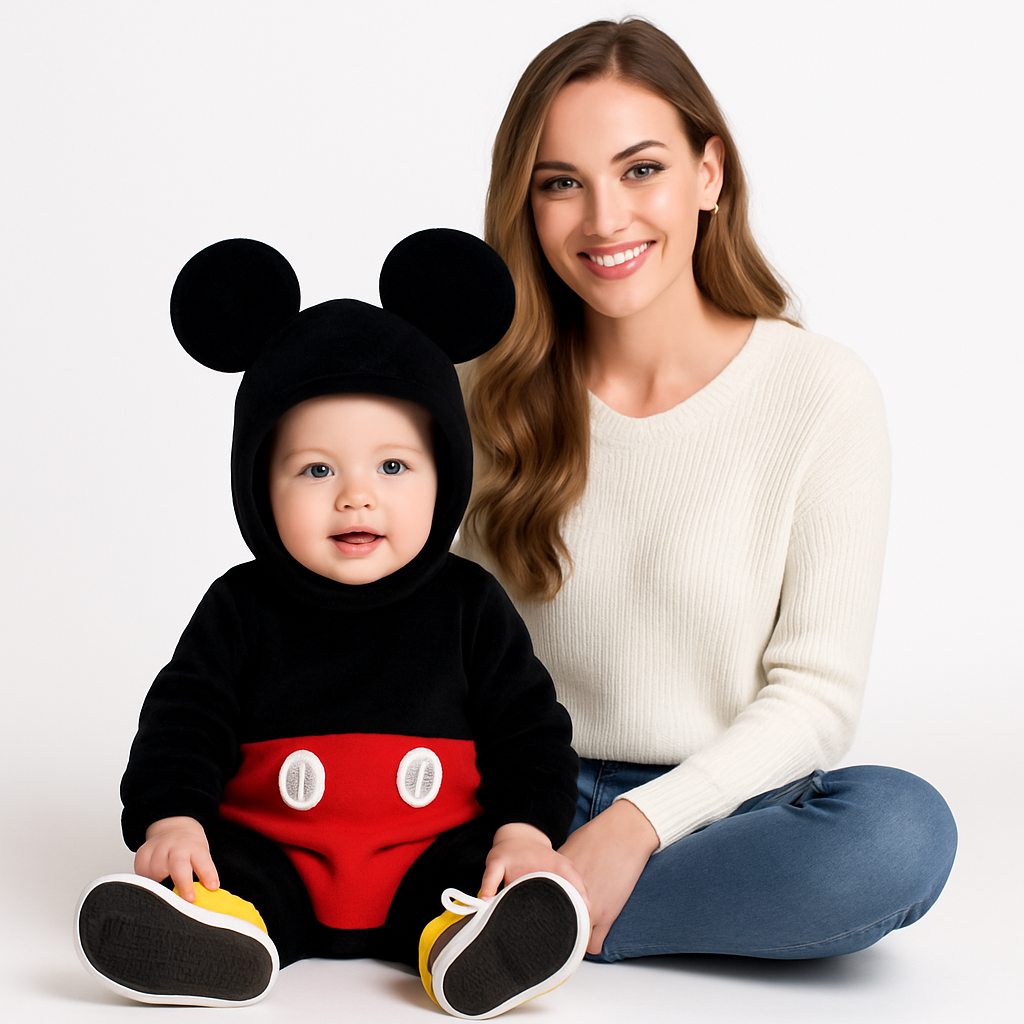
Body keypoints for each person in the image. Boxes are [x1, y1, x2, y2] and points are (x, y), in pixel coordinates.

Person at [455, 18, 957, 963]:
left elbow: (814, 698)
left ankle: (535, 921)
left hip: (716, 808)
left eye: (641, 169)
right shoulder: (477, 388)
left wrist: (635, 826)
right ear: (526, 204)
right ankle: (532, 903)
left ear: (709, 175)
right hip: (511, 798)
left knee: (901, 831)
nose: (604, 219)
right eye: (561, 183)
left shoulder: (819, 392)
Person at [74, 229, 589, 1019]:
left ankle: (470, 944)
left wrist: (526, 831)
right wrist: (171, 819)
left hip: (429, 857)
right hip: (274, 852)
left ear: (447, 475)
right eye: (316, 469)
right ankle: (215, 931)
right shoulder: (240, 606)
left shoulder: (470, 603)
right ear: (259, 484)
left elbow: (529, 732)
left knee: (476, 874)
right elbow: (184, 720)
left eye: (393, 465)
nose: (356, 495)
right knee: (218, 867)